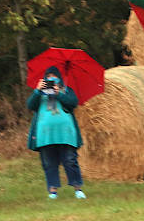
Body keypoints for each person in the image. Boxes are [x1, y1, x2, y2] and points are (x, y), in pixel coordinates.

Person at [27, 66, 86, 199]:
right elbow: (30, 105)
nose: (51, 79)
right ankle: (53, 191)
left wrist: (59, 93)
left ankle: (78, 189)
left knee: (70, 160)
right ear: (44, 79)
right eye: (48, 77)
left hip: (66, 134)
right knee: (49, 162)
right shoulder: (39, 93)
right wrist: (37, 91)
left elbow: (73, 103)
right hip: (45, 134)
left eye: (54, 76)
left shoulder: (66, 90)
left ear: (59, 78)